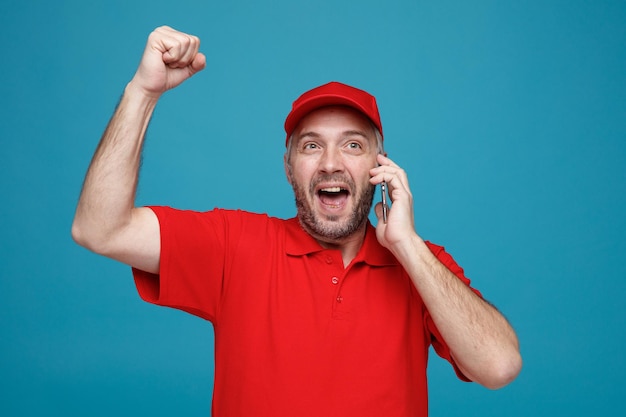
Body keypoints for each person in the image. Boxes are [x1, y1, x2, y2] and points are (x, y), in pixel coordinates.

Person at [72, 26, 521, 417]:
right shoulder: (235, 244)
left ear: (379, 165)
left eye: (352, 146)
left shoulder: (422, 264)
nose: (330, 164)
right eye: (310, 146)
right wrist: (142, 93)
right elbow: (100, 229)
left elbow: (499, 367)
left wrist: (406, 246)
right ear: (288, 167)